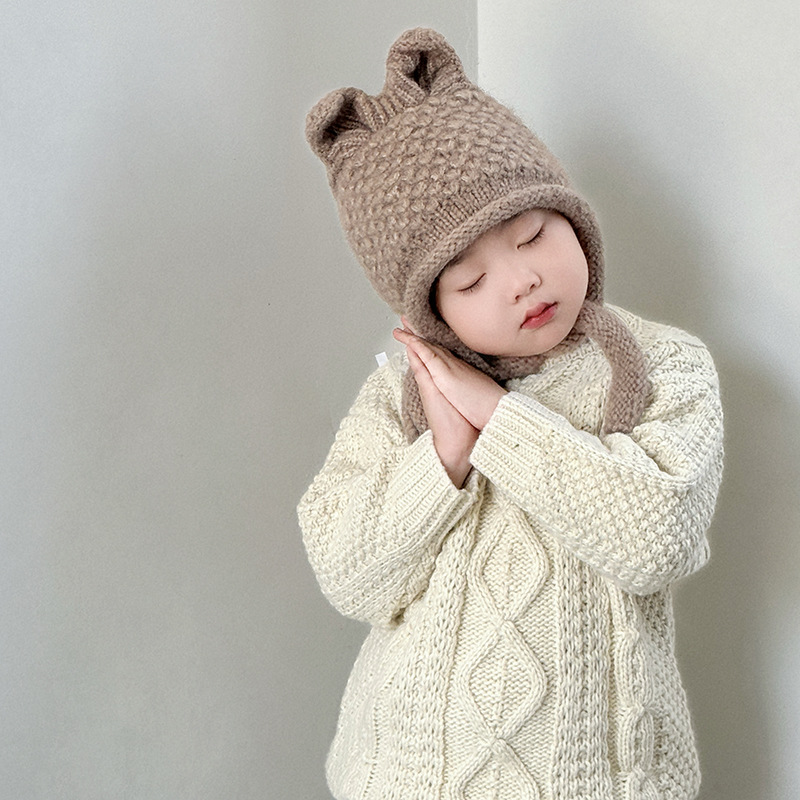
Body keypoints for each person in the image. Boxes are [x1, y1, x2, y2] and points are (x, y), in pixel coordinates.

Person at [297, 27, 723, 800]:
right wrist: (443, 460)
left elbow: (660, 537)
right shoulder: (401, 397)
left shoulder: (664, 364)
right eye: (469, 281)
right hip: (408, 779)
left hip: (602, 781)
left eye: (533, 233)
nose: (521, 280)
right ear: (429, 311)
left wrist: (498, 421)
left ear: (572, 219)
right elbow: (350, 578)